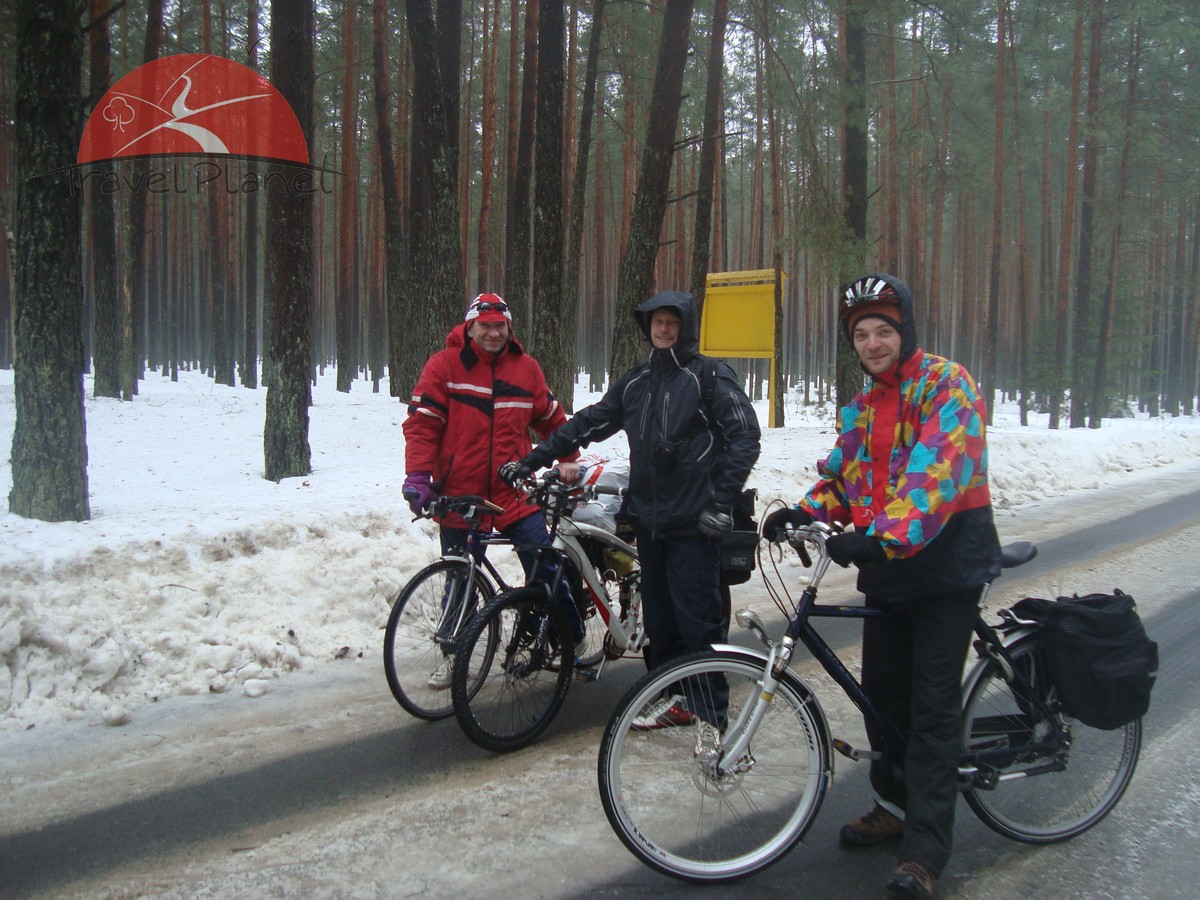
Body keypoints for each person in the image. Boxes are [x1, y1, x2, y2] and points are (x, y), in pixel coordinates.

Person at [762, 273, 1001, 900]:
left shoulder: (947, 385)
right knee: (884, 698)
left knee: (931, 709)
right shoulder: (866, 405)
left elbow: (936, 473)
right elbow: (845, 478)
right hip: (893, 568)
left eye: (883, 331)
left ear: (905, 330)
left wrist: (880, 537)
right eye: (862, 334)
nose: (873, 343)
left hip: (948, 568)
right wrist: (806, 510)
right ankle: (894, 806)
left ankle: (926, 851)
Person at [499, 291, 761, 750]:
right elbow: (587, 423)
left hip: (695, 524)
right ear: (648, 327)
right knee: (661, 624)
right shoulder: (637, 382)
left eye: (672, 322)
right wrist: (532, 459)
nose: (664, 329)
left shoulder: (709, 376)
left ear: (686, 326)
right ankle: (674, 698)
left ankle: (710, 715)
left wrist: (721, 501)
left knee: (699, 622)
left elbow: (745, 437)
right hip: (649, 520)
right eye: (657, 322)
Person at [402, 293, 585, 689]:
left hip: (514, 492)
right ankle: (455, 655)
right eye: (485, 325)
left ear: (508, 328)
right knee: (460, 578)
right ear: (470, 327)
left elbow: (551, 419)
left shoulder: (526, 369)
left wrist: (569, 457)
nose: (493, 333)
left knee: (543, 563)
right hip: (460, 495)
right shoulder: (444, 366)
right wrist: (418, 477)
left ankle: (568, 639)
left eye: (500, 325)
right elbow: (422, 425)